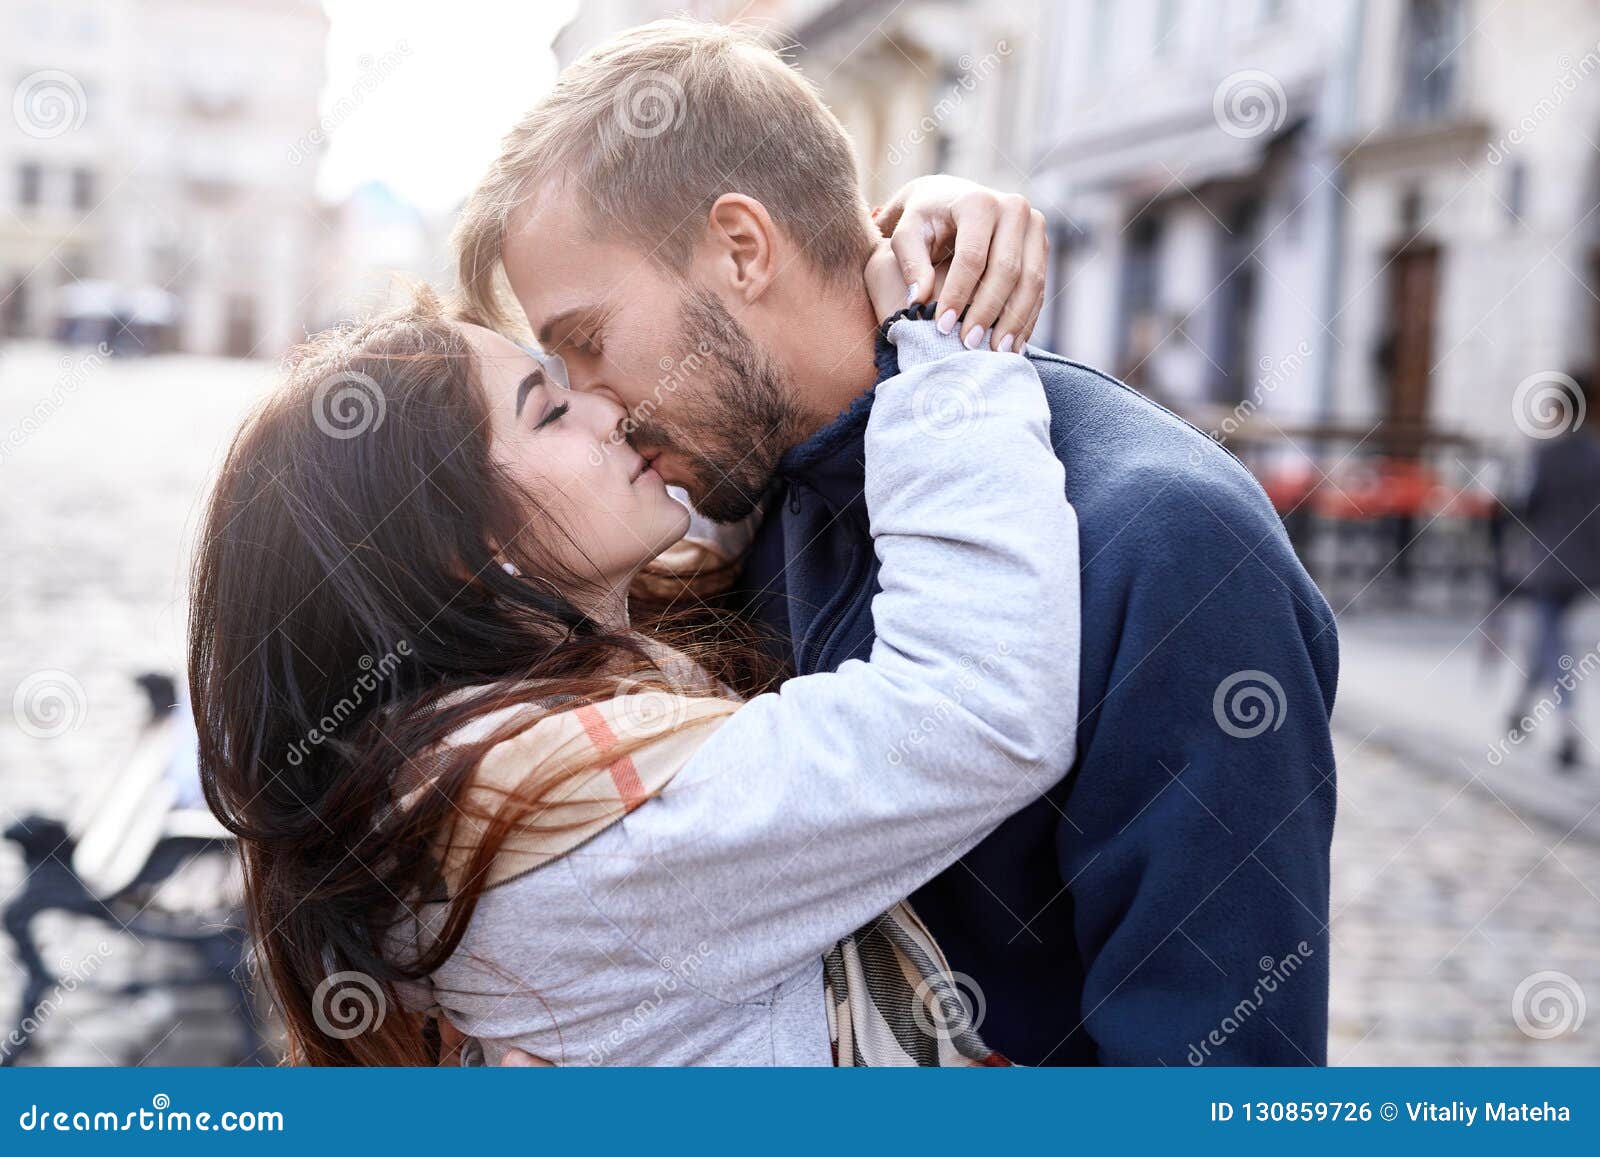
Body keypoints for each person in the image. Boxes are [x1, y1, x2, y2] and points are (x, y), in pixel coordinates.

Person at [455, 17, 1339, 1066]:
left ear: (743, 247)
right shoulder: (762, 485)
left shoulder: (1166, 543)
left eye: (587, 343)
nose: (595, 408)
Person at [188, 225, 1079, 1064]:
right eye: (550, 410)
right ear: (463, 553)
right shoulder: (581, 831)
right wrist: (945, 338)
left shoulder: (462, 761)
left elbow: (722, 513)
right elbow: (975, 711)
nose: (609, 409)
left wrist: (894, 240)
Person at [1507, 369, 1600, 771]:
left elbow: (1524, 504)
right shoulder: (1595, 455)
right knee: (1546, 641)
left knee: (1554, 645)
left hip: (1549, 565)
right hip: (1588, 566)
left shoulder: (1544, 455)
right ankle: (1521, 710)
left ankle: (1567, 727)